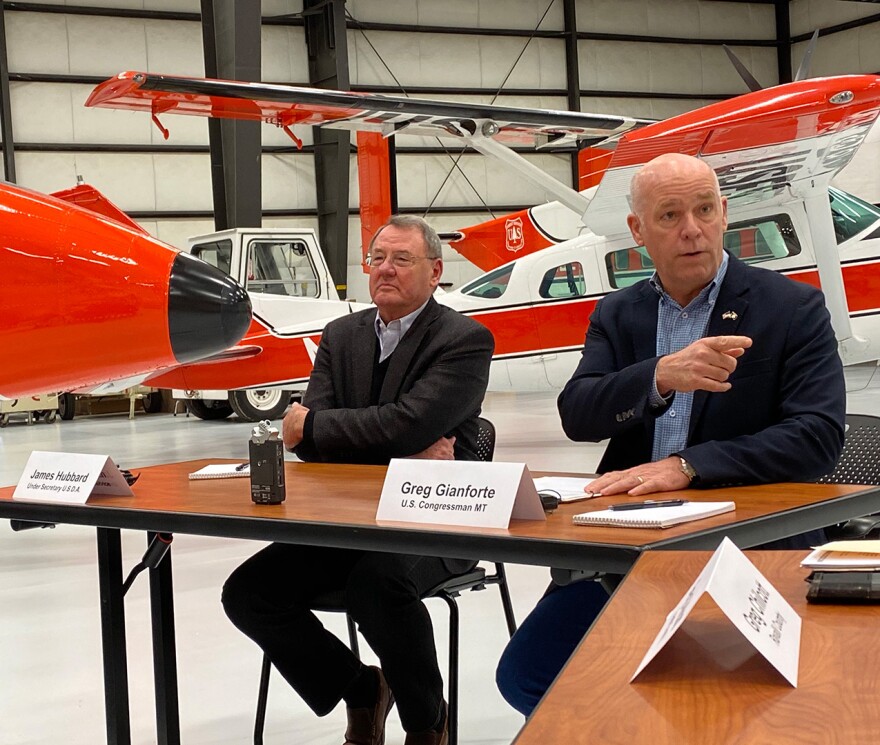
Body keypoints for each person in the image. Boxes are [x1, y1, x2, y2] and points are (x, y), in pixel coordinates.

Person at [496, 153, 845, 717]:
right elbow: (578, 415)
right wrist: (658, 375)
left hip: (748, 539)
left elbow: (818, 436)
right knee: (528, 674)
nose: (692, 229)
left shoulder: (792, 308)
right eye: (670, 215)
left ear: (724, 213)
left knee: (727, 691)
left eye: (705, 209)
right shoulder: (618, 313)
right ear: (637, 230)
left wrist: (689, 465)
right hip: (631, 542)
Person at [222, 215, 494, 745]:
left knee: (377, 583)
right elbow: (310, 444)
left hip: (436, 518)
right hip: (349, 518)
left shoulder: (465, 340)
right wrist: (393, 442)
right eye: (378, 258)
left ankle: (426, 723)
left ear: (435, 271)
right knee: (250, 593)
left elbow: (401, 423)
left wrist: (326, 429)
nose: (385, 269)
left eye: (402, 259)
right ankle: (362, 689)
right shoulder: (340, 335)